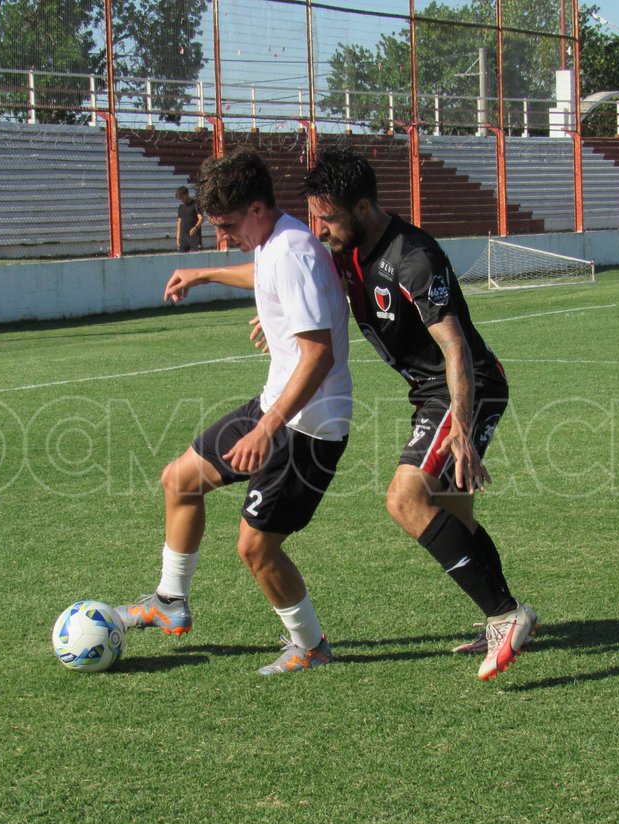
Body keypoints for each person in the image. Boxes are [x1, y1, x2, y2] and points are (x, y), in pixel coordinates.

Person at [298, 146, 537, 682]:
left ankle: (507, 614)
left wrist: (463, 431)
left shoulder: (413, 258)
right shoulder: (346, 249)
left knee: (405, 499)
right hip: (429, 392)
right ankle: (499, 616)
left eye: (328, 218)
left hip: (464, 387)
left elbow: (454, 348)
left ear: (362, 208)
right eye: (315, 217)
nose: (320, 230)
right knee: (455, 515)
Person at [116, 148, 353, 676]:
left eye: (226, 225)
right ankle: (169, 601)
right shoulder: (273, 240)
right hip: (277, 405)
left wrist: (266, 430)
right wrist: (204, 274)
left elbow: (319, 355)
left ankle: (311, 646)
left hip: (307, 426)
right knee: (180, 479)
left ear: (257, 208)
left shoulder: (292, 251)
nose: (222, 235)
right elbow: (260, 275)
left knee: (256, 550)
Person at [175, 185, 204, 252]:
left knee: (196, 259)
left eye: (183, 197)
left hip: (194, 237)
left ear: (187, 194)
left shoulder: (195, 204)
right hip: (183, 238)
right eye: (180, 198)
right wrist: (178, 236)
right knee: (182, 259)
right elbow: (179, 222)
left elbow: (201, 218)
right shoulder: (181, 207)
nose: (182, 200)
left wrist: (195, 228)